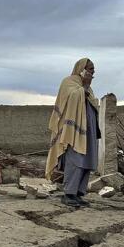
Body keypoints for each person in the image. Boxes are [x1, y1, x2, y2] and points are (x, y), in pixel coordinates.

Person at [45, 58, 100, 207]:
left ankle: (79, 193)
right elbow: (70, 99)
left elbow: (93, 103)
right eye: (90, 69)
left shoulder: (87, 88)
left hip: (88, 132)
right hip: (73, 132)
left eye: (94, 70)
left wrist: (86, 88)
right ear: (81, 68)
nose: (92, 72)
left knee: (87, 162)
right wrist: (84, 88)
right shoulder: (68, 82)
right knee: (75, 161)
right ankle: (69, 192)